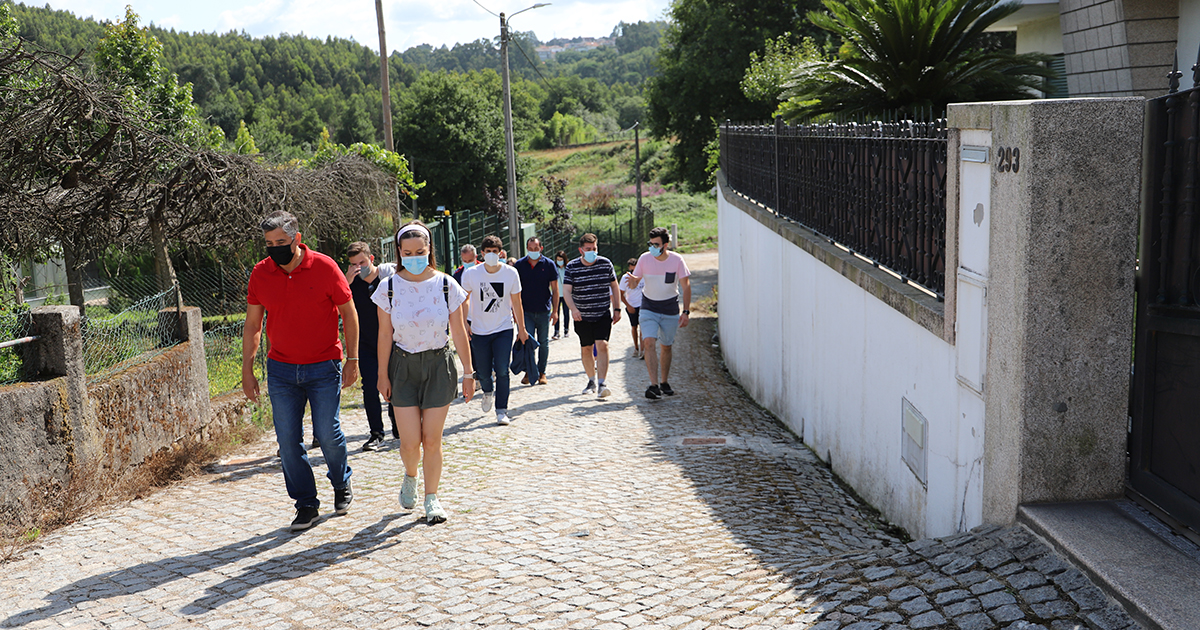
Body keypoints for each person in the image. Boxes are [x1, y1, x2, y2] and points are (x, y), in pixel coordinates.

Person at [242, 210, 357, 532]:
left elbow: (349, 313)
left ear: (297, 239)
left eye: (281, 242)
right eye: (269, 244)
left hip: (324, 365)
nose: (275, 248)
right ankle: (306, 504)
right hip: (281, 370)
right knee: (288, 441)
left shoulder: (325, 267)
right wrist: (247, 369)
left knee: (328, 433)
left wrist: (353, 359)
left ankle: (341, 482)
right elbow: (253, 324)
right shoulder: (261, 274)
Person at [373, 221, 475, 524]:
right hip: (402, 366)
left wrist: (469, 372)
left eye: (420, 252)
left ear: (429, 250)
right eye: (407, 253)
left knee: (432, 440)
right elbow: (384, 334)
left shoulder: (446, 284)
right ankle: (410, 475)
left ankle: (432, 498)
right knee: (409, 442)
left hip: (438, 365)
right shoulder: (388, 287)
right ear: (399, 252)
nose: (414, 257)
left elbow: (459, 331)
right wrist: (382, 374)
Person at [460, 235, 529, 425]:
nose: (491, 254)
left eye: (495, 252)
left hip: (503, 328)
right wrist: (465, 322)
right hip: (479, 329)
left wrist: (522, 329)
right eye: (488, 251)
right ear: (482, 254)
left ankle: (501, 410)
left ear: (501, 253)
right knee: (483, 372)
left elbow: (517, 302)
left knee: (502, 370)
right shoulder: (471, 274)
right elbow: (464, 299)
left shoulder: (511, 273)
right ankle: (488, 391)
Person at [345, 241, 398, 451]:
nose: (359, 267)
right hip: (365, 344)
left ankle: (398, 425)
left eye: (362, 262)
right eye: (354, 264)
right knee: (369, 387)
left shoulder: (387, 281)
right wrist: (347, 282)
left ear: (372, 259)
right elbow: (338, 306)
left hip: (391, 341)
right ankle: (376, 433)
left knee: (394, 384)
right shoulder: (352, 284)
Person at [630, 227, 691, 400]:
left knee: (666, 345)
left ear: (665, 245)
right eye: (650, 244)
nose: (652, 247)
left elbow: (686, 286)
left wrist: (686, 311)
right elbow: (634, 283)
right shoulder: (644, 258)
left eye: (656, 244)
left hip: (670, 308)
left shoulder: (677, 260)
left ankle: (664, 382)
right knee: (648, 342)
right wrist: (632, 282)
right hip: (648, 307)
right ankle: (653, 385)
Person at [562, 233, 621, 398]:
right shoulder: (572, 267)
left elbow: (614, 286)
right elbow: (566, 290)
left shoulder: (605, 263)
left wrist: (617, 308)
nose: (592, 252)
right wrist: (573, 309)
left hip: (602, 313)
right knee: (586, 348)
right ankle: (591, 380)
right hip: (582, 315)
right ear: (581, 250)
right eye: (588, 249)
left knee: (602, 345)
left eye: (594, 248)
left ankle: (602, 383)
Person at [515, 236, 559, 385]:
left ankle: (542, 372)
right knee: (527, 342)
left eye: (536, 248)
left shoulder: (549, 264)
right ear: (527, 248)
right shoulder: (519, 265)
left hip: (543, 310)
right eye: (530, 248)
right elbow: (513, 290)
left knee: (543, 343)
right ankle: (529, 372)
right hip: (525, 311)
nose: (533, 251)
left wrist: (555, 311)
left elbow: (555, 289)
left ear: (541, 248)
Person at [619, 257, 645, 360]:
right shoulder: (625, 278)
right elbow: (620, 294)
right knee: (634, 327)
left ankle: (643, 350)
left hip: (643, 305)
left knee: (643, 328)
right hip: (632, 305)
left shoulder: (643, 276)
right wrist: (628, 306)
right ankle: (636, 347)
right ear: (629, 268)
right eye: (632, 268)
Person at [552, 251, 571, 340]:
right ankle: (556, 332)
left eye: (561, 259)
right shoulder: (554, 268)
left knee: (566, 312)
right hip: (557, 294)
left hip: (566, 294)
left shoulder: (568, 268)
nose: (559, 261)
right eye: (558, 260)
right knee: (556, 313)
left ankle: (566, 330)